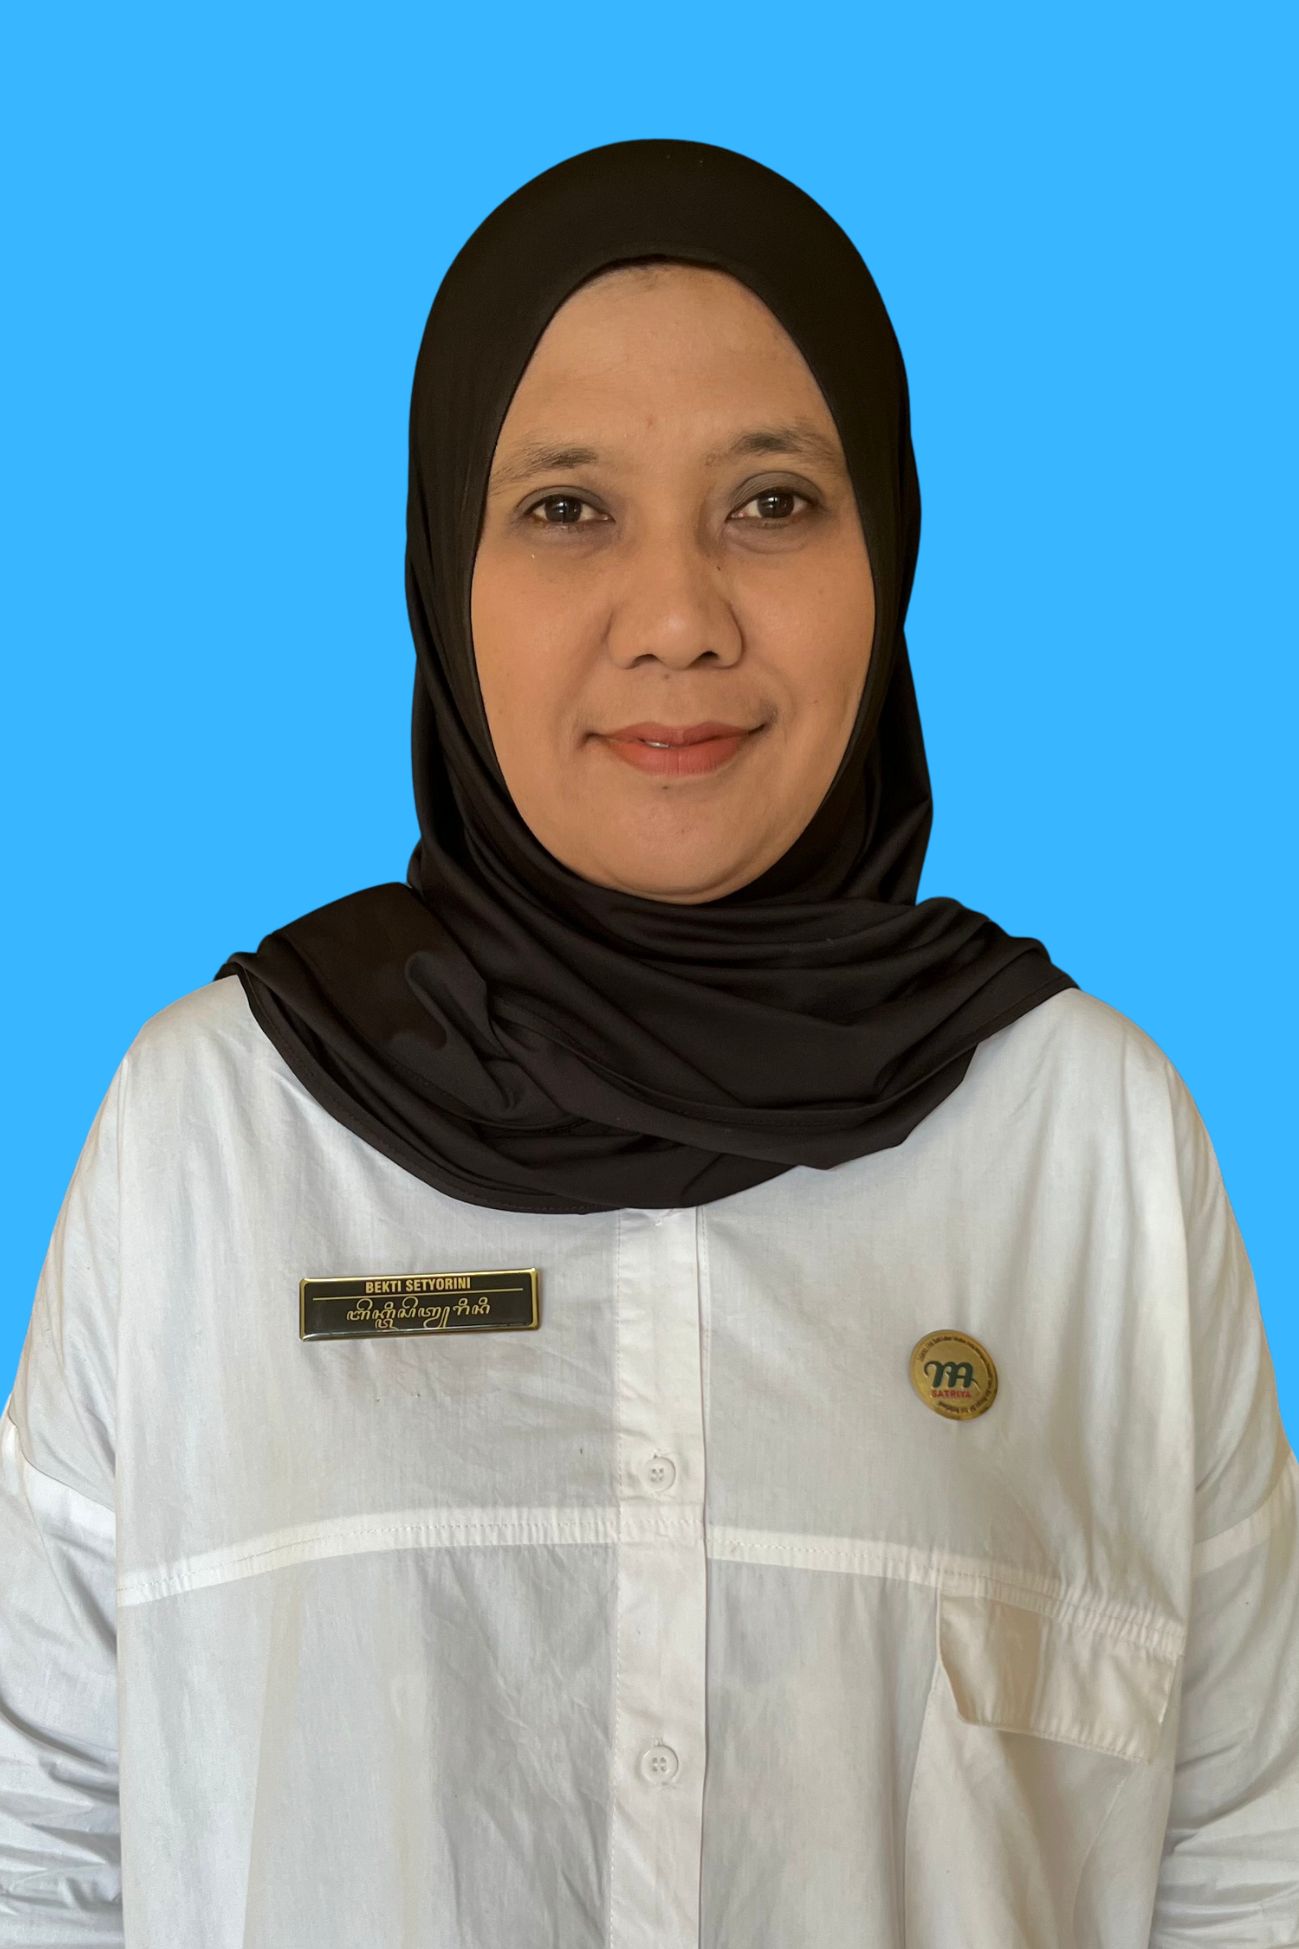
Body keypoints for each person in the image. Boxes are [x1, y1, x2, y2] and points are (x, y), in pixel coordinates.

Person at [2, 136, 1295, 1947]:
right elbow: (38, 1847)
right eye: (566, 509)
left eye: (773, 501)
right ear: (442, 561)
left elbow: (1246, 1858)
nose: (680, 620)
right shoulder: (213, 1129)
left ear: (888, 547)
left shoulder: (1090, 1144)